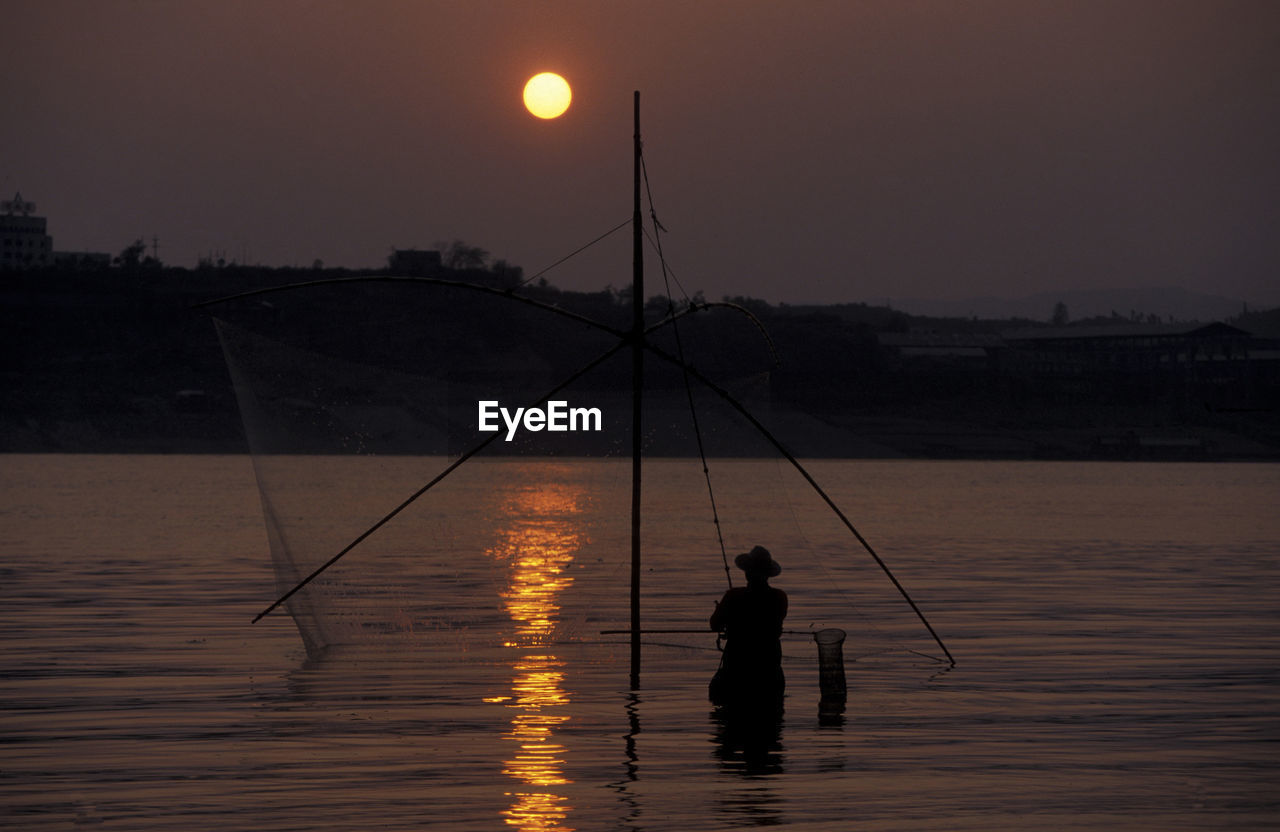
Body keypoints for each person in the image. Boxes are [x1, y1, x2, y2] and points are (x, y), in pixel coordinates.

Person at [709, 546, 788, 707]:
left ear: (746, 572)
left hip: (737, 669)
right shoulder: (779, 597)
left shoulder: (733, 595)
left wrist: (722, 609)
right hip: (769, 668)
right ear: (768, 574)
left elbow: (714, 625)